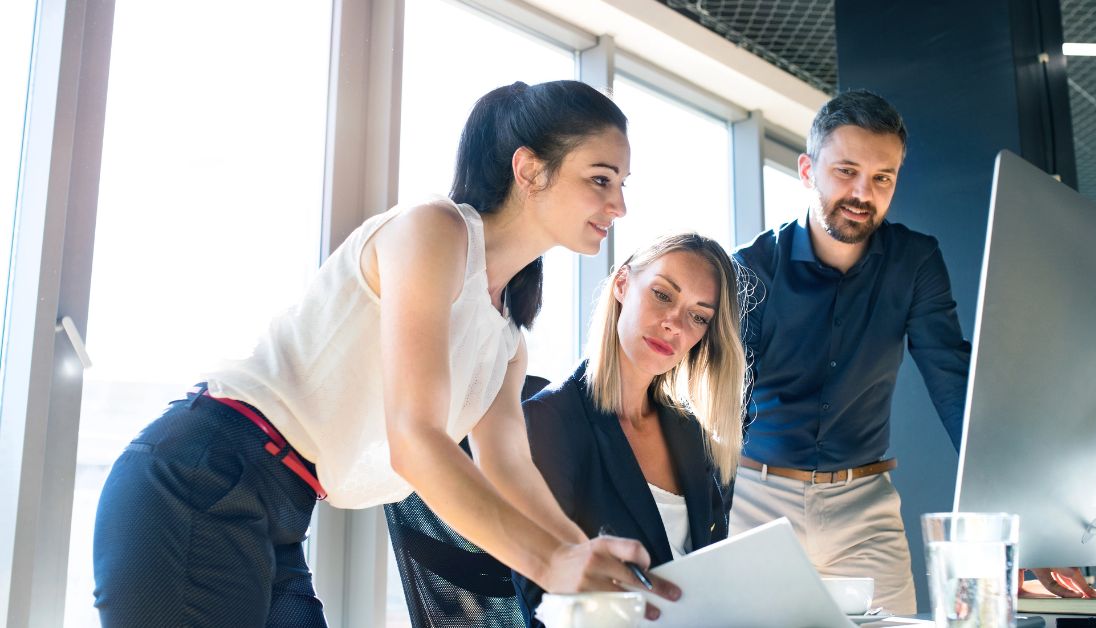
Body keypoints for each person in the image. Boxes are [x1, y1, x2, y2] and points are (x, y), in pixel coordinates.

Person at [91, 80, 679, 627]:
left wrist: (585, 559)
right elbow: (415, 439)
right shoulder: (435, 230)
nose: (619, 205)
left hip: (283, 507)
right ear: (529, 170)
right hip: (204, 474)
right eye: (601, 179)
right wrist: (550, 565)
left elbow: (509, 470)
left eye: (623, 185)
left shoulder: (506, 335)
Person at [729, 89, 1096, 614]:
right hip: (756, 500)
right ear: (808, 170)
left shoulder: (916, 261)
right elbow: (726, 404)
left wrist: (1028, 522)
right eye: (846, 171)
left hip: (864, 505)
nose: (863, 192)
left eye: (883, 178)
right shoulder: (750, 267)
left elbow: (954, 386)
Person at [514, 233, 747, 626]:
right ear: (622, 284)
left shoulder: (692, 435)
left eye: (698, 316)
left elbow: (709, 575)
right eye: (662, 294)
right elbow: (542, 599)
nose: (674, 324)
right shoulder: (548, 422)